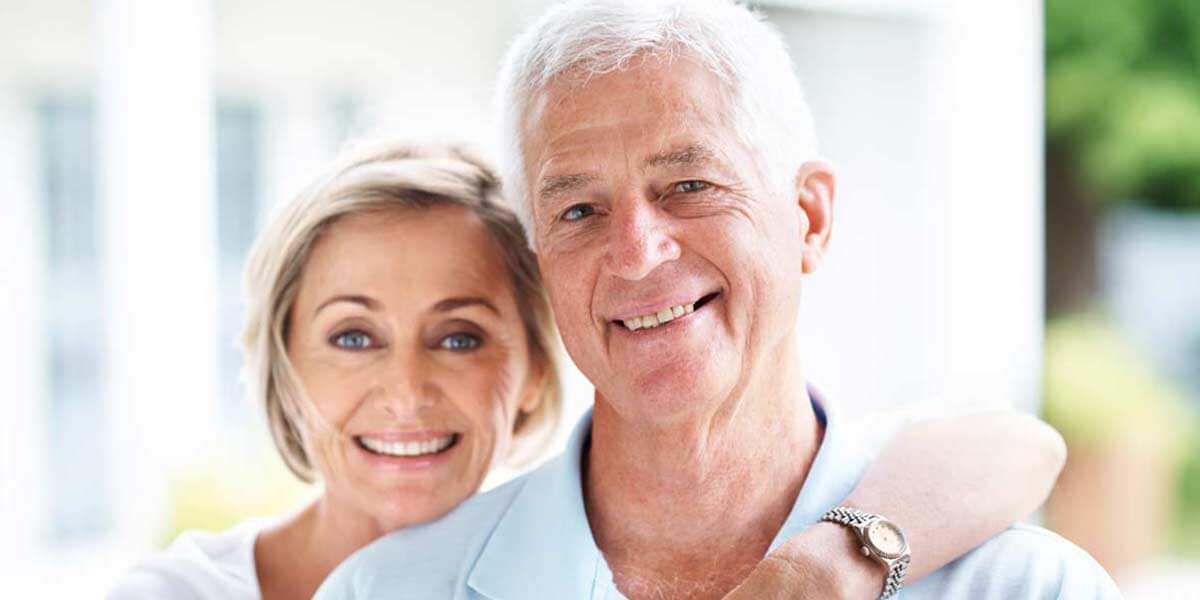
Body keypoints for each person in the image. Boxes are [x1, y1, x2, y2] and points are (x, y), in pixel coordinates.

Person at [316, 2, 1123, 599]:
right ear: (541, 266)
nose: (635, 253)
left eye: (690, 185)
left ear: (809, 217)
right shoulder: (386, 591)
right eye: (578, 210)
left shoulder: (1022, 586)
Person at [108, 142, 1058, 600]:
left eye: (460, 336)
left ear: (534, 360)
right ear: (283, 365)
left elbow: (1013, 445)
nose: (405, 388)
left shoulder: (556, 555)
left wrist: (825, 568)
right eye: (353, 337)